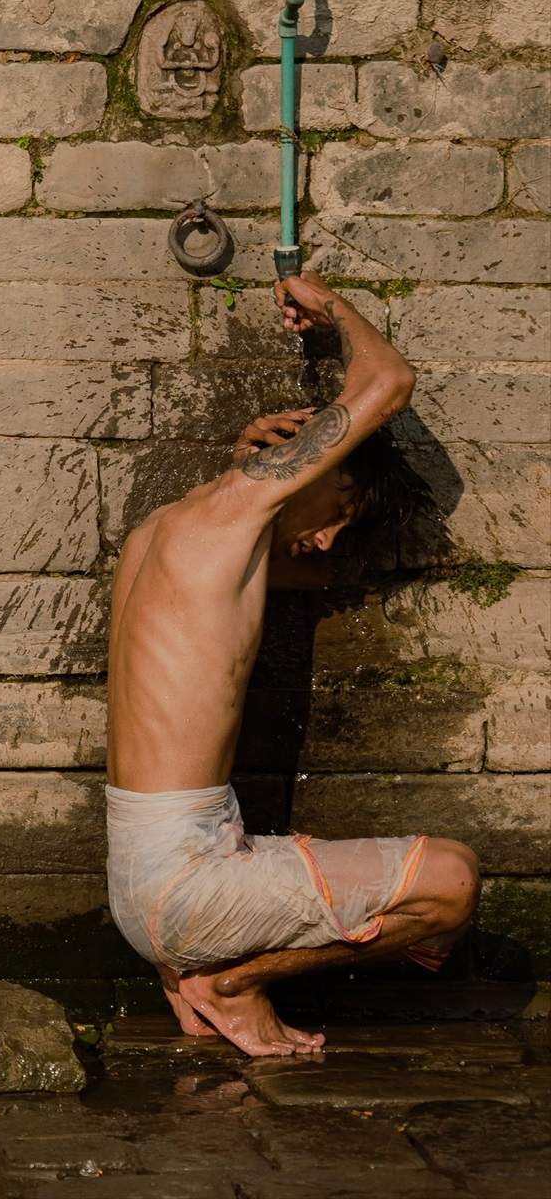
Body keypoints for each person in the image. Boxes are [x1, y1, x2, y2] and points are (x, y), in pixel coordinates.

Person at [106, 271, 480, 1057]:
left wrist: (255, 459)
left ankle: (202, 972)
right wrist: (328, 305)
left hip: (154, 875)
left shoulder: (165, 531)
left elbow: (306, 568)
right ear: (314, 466)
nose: (333, 538)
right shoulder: (227, 521)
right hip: (187, 886)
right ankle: (233, 983)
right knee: (451, 884)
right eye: (341, 508)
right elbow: (390, 383)